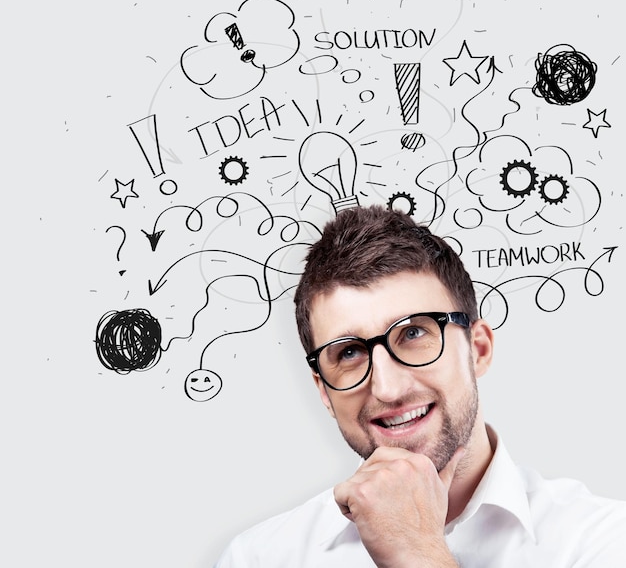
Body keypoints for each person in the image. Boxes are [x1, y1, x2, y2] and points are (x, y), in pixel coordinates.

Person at [214, 204, 626, 567]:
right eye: (349, 353)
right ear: (323, 389)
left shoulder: (601, 542)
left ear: (477, 349)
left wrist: (417, 554)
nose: (388, 389)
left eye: (413, 334)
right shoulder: (259, 559)